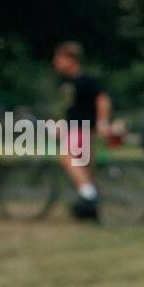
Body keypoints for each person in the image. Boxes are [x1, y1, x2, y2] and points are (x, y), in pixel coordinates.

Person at [51, 41, 111, 221]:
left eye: (59, 59)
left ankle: (89, 195)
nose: (56, 63)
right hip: (75, 127)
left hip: (82, 128)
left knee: (67, 158)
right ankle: (88, 209)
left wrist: (102, 121)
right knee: (84, 170)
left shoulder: (85, 80)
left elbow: (102, 100)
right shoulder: (68, 83)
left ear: (71, 60)